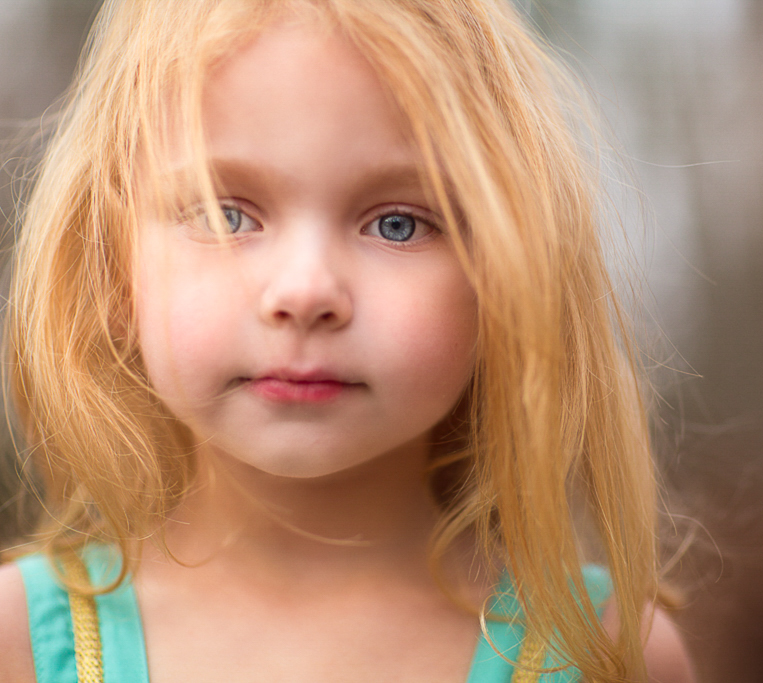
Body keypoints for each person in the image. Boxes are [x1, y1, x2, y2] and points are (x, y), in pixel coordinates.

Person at [0, 1, 692, 681]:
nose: (304, 291)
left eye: (397, 223)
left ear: (503, 281)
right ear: (115, 272)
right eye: (227, 212)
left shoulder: (608, 650)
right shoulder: (19, 642)